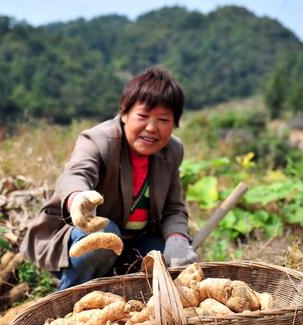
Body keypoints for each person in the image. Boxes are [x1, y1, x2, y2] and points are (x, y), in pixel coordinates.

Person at [20, 66, 197, 290]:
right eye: (142, 116)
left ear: (175, 123)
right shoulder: (99, 140)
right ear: (124, 113)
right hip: (81, 240)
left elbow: (174, 208)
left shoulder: (171, 151)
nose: (152, 128)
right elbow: (75, 174)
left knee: (163, 257)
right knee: (104, 235)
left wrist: (178, 239)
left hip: (136, 242)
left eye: (163, 120)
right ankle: (68, 298)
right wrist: (77, 198)